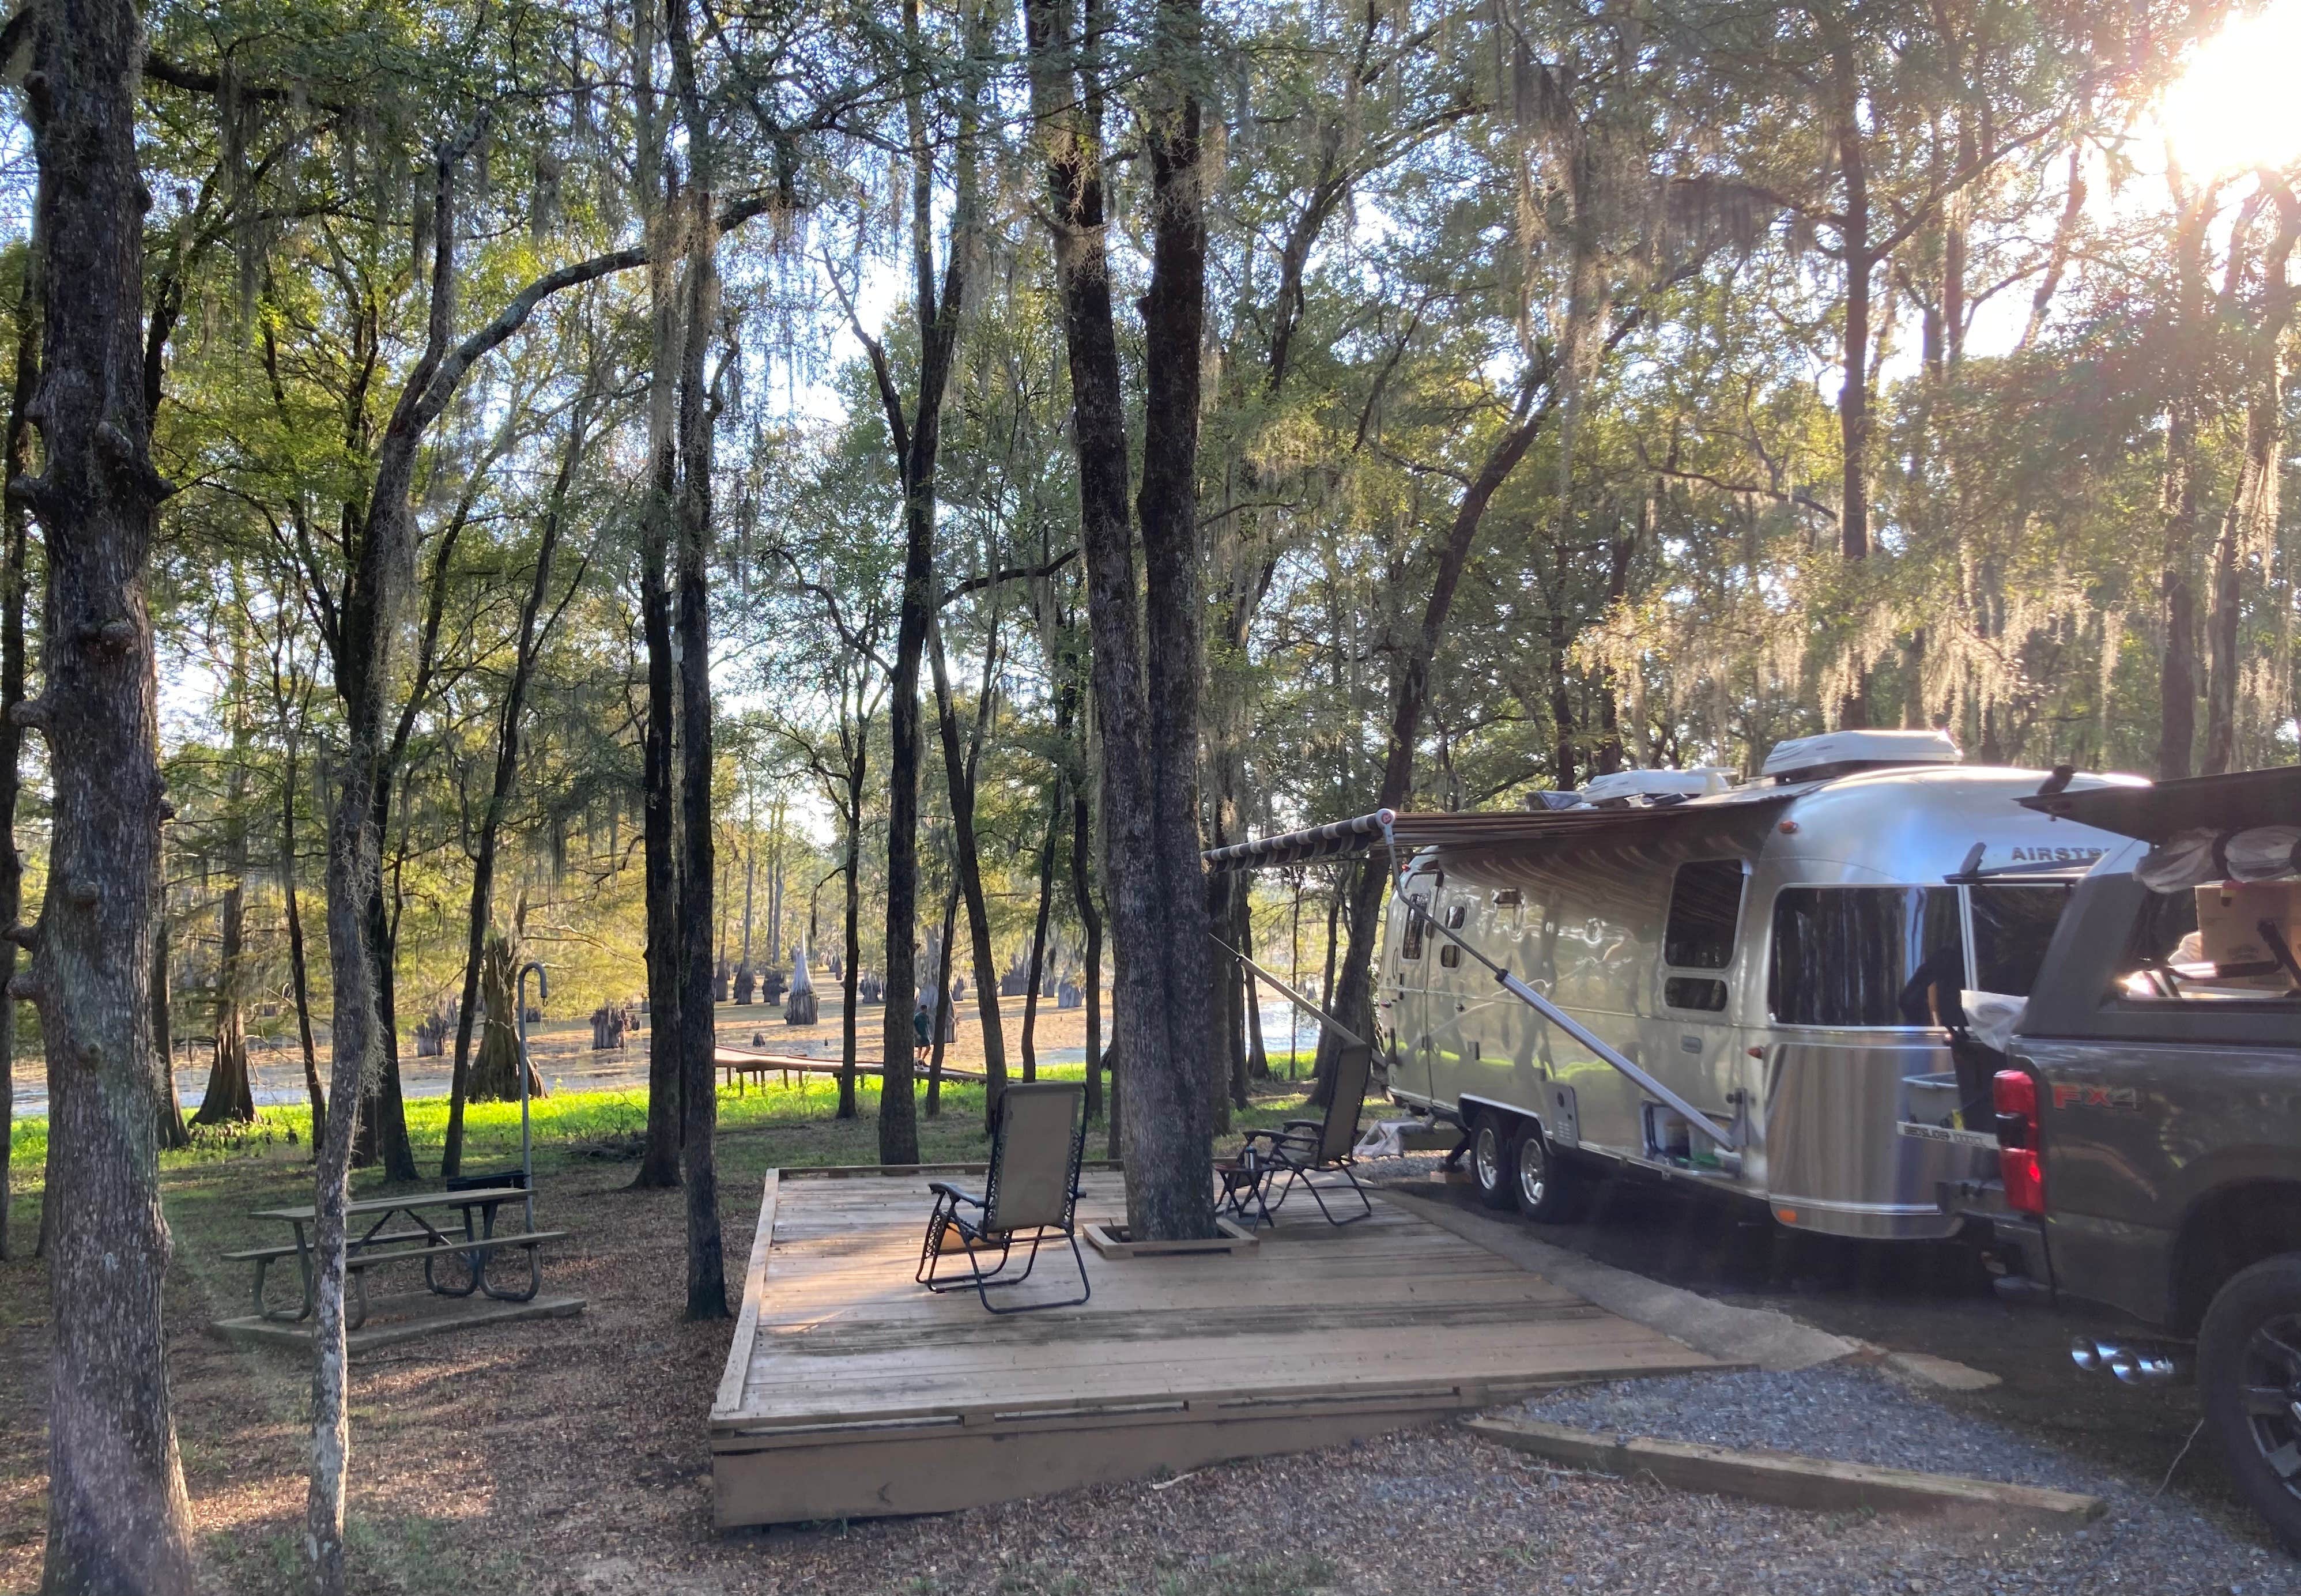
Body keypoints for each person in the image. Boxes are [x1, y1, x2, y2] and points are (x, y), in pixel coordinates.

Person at [914, 1001, 932, 1068]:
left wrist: (929, 1035)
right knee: (920, 1048)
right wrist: (916, 1034)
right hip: (919, 1034)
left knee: (928, 1047)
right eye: (925, 1010)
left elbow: (927, 1026)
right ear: (922, 1009)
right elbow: (914, 1026)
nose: (926, 1011)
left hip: (925, 1034)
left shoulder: (926, 1016)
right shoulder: (917, 1017)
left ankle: (922, 1060)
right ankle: (919, 1062)